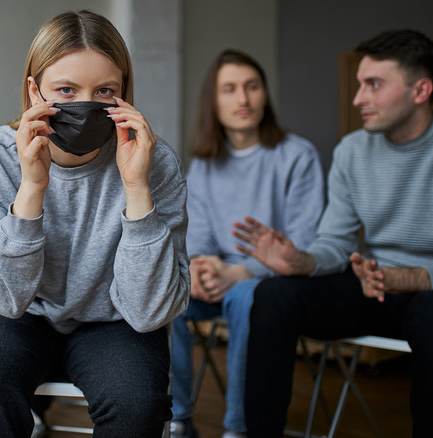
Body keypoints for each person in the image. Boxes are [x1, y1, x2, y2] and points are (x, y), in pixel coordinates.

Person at [0, 10, 190, 437]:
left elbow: (150, 310)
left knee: (138, 401)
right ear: (33, 91)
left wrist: (136, 188)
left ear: (124, 96)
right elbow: (2, 299)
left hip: (114, 322)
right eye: (66, 90)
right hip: (16, 317)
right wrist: (30, 189)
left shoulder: (156, 165)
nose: (86, 104)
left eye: (105, 91)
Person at [233, 29, 433, 437]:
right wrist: (300, 261)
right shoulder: (351, 150)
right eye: (360, 84)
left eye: (373, 85)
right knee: (273, 294)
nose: (358, 98)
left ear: (421, 90)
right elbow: (337, 244)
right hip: (372, 284)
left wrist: (405, 278)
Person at [170, 50, 324, 438]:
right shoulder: (205, 162)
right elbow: (199, 232)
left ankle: (239, 428)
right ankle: (177, 421)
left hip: (274, 282)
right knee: (167, 296)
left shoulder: (297, 155)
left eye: (252, 87)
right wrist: (202, 268)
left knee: (244, 297)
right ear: (214, 100)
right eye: (230, 89)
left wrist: (242, 272)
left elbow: (306, 241)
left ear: (265, 96)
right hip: (219, 276)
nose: (244, 99)